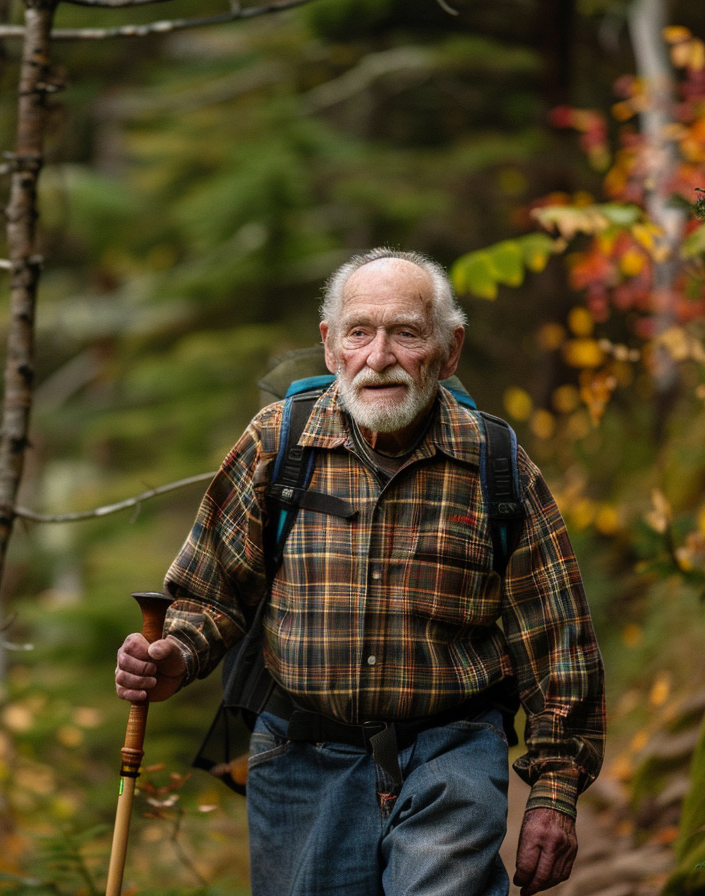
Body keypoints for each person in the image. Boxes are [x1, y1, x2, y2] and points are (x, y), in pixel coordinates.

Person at [115, 248, 605, 896]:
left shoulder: (496, 466)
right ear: (330, 346)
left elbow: (556, 643)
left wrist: (555, 790)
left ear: (449, 350)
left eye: (406, 333)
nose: (379, 358)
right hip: (299, 761)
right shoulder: (276, 445)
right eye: (360, 332)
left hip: (452, 751)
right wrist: (176, 652)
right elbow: (212, 594)